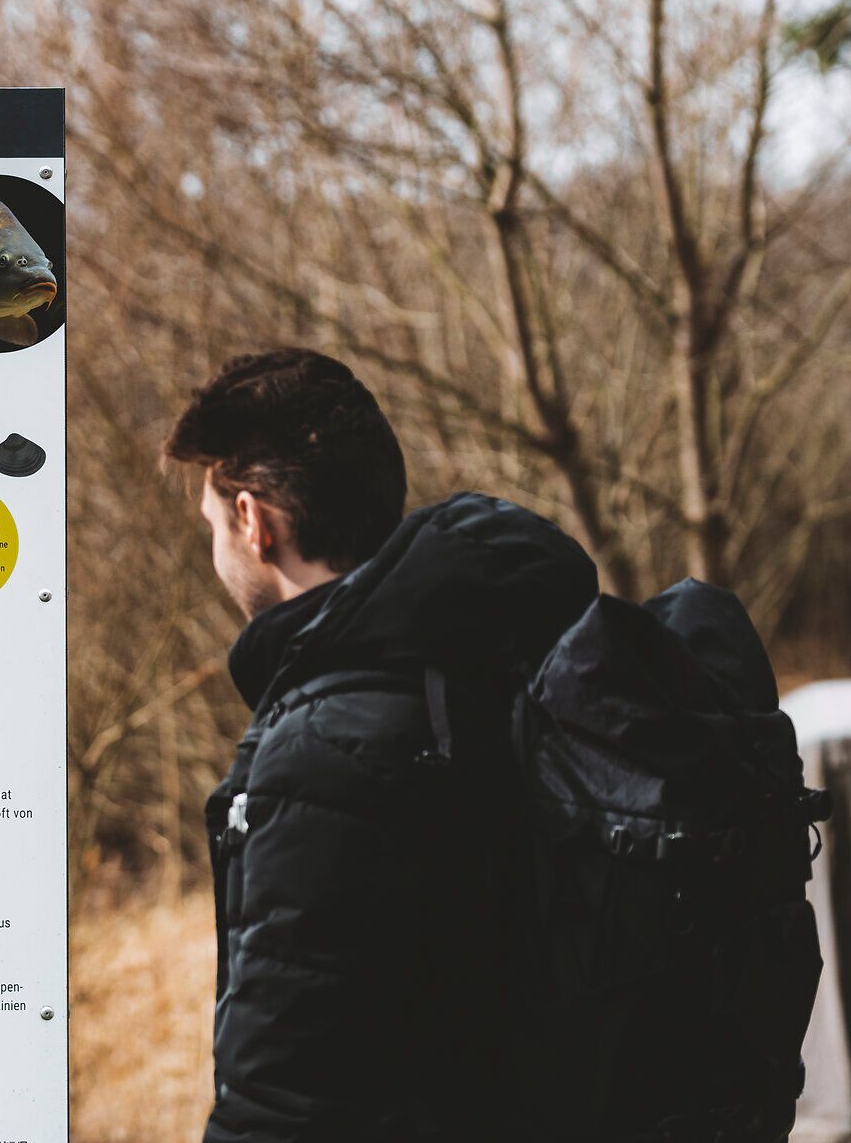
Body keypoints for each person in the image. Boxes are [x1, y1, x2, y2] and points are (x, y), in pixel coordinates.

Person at [165, 348, 600, 1143]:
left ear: (255, 523)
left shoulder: (321, 753)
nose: (216, 550)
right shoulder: (500, 660)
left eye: (212, 525)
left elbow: (280, 1105)